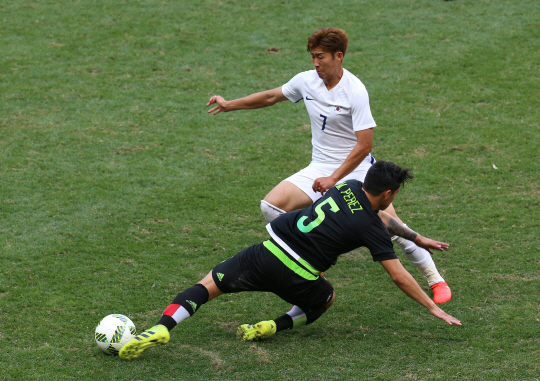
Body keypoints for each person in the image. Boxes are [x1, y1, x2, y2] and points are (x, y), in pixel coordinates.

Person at [119, 161, 461, 360]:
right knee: (325, 300)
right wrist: (433, 308)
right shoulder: (370, 226)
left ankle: (163, 326)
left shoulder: (350, 185)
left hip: (265, 254)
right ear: (388, 194)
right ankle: (274, 326)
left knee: (206, 285)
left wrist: (416, 238)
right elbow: (399, 275)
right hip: (301, 276)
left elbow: (386, 220)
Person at [206, 27, 451, 304]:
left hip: (356, 171)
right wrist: (229, 105)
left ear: (339, 56)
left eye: (320, 57)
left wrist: (335, 178)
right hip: (319, 166)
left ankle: (435, 279)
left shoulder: (355, 91)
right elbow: (271, 97)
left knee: (392, 228)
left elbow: (364, 145)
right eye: (312, 56)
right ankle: (309, 261)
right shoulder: (306, 81)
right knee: (271, 206)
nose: (315, 63)